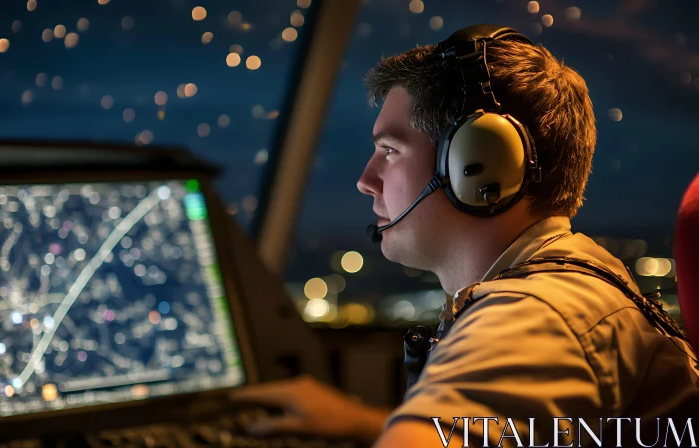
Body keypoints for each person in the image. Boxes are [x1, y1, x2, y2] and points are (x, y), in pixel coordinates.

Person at [232, 25, 698, 447]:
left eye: (389, 150)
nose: (366, 179)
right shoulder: (582, 276)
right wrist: (364, 423)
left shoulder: (536, 316)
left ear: (477, 165)